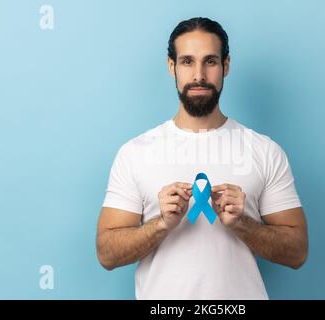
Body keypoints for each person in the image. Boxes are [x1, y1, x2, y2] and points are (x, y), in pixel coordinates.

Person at [96, 17, 308, 299]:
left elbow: (297, 252)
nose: (199, 75)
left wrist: (242, 223)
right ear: (172, 67)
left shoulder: (265, 151)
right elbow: (107, 254)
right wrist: (160, 224)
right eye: (187, 62)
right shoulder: (135, 153)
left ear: (226, 66)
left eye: (210, 61)